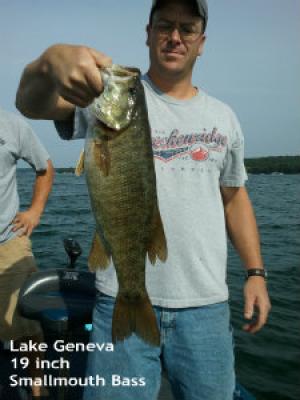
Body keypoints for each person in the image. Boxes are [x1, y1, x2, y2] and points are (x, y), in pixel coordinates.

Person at [15, 0, 271, 399]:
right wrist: (50, 63)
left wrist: (255, 273)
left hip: (205, 306)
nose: (174, 36)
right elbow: (29, 103)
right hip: (118, 295)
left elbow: (235, 199)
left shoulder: (224, 117)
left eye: (187, 28)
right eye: (164, 25)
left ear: (201, 42)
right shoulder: (100, 102)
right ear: (148, 33)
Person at [0, 107, 54, 398]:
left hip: (8, 243)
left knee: (25, 323)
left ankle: (36, 385)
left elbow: (44, 167)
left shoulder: (12, 125)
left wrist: (35, 211)